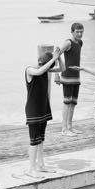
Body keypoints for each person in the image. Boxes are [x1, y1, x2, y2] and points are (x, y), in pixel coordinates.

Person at [25, 46, 63, 177]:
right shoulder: (29, 70)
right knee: (34, 140)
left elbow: (62, 69)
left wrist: (59, 58)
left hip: (43, 108)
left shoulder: (45, 70)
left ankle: (40, 165)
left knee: (41, 139)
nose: (47, 67)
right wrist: (54, 58)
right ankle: (31, 169)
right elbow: (40, 71)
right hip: (33, 110)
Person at [56, 22, 84, 137]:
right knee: (67, 103)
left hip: (76, 77)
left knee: (73, 103)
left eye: (81, 31)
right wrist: (56, 74)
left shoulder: (80, 43)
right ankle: (64, 129)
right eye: (77, 32)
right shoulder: (68, 43)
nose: (79, 34)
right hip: (67, 77)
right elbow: (56, 54)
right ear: (72, 32)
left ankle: (70, 127)